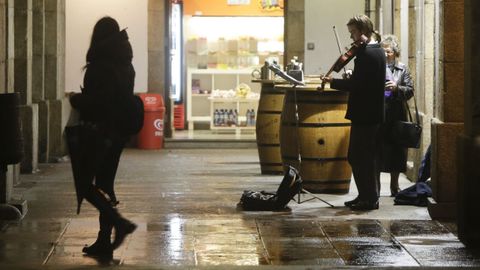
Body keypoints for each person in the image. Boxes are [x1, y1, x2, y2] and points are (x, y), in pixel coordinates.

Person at [68, 16, 137, 257]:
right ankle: (104, 241)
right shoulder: (125, 63)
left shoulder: (101, 64)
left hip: (100, 131)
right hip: (117, 133)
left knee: (86, 184)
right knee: (105, 184)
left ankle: (117, 223)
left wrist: (77, 99)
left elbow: (101, 102)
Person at [321, 15, 386, 210]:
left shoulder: (366, 54)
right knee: (364, 157)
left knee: (359, 157)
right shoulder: (377, 51)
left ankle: (369, 199)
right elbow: (365, 80)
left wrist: (332, 81)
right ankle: (365, 196)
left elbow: (356, 86)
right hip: (371, 112)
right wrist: (352, 75)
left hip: (365, 113)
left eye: (353, 33)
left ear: (363, 31)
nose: (351, 38)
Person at [379, 34, 414, 196]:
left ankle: (394, 185)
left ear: (395, 52)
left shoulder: (402, 68)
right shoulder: (377, 68)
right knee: (378, 150)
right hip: (379, 113)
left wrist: (396, 88)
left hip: (396, 113)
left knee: (397, 151)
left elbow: (410, 90)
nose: (386, 54)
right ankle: (376, 187)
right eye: (383, 51)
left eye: (388, 51)